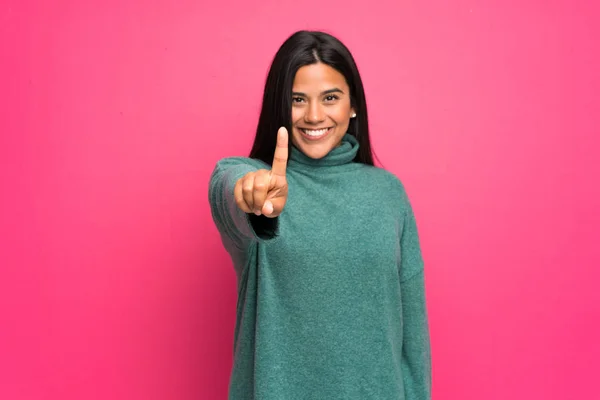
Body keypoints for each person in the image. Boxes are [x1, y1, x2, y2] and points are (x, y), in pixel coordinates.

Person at [208, 30, 431, 400]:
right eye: (297, 99)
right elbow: (228, 191)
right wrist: (250, 193)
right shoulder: (254, 180)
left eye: (330, 98)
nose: (314, 116)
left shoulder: (389, 195)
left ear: (353, 104)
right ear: (279, 105)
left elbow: (413, 341)